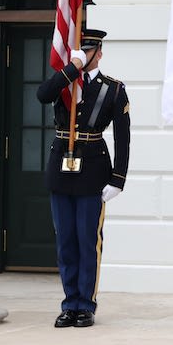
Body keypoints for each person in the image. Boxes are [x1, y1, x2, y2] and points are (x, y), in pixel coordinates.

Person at [36, 28, 130, 328]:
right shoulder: (64, 82)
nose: (84, 56)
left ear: (99, 53)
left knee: (87, 240)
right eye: (80, 52)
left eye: (88, 52)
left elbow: (123, 139)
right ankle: (69, 303)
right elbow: (42, 95)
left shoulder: (113, 89)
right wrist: (71, 69)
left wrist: (118, 179)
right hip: (61, 169)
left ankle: (85, 304)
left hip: (93, 171)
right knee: (65, 241)